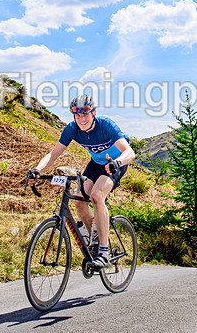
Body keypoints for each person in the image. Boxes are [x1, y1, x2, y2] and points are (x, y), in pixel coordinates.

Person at [27, 94, 135, 270]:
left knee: (96, 196)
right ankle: (92, 236)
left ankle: (103, 250)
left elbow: (130, 152)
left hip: (115, 163)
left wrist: (117, 162)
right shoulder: (72, 129)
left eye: (85, 114)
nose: (81, 119)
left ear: (94, 113)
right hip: (96, 164)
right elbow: (53, 155)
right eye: (77, 115)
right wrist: (38, 170)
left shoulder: (105, 125)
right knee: (78, 201)